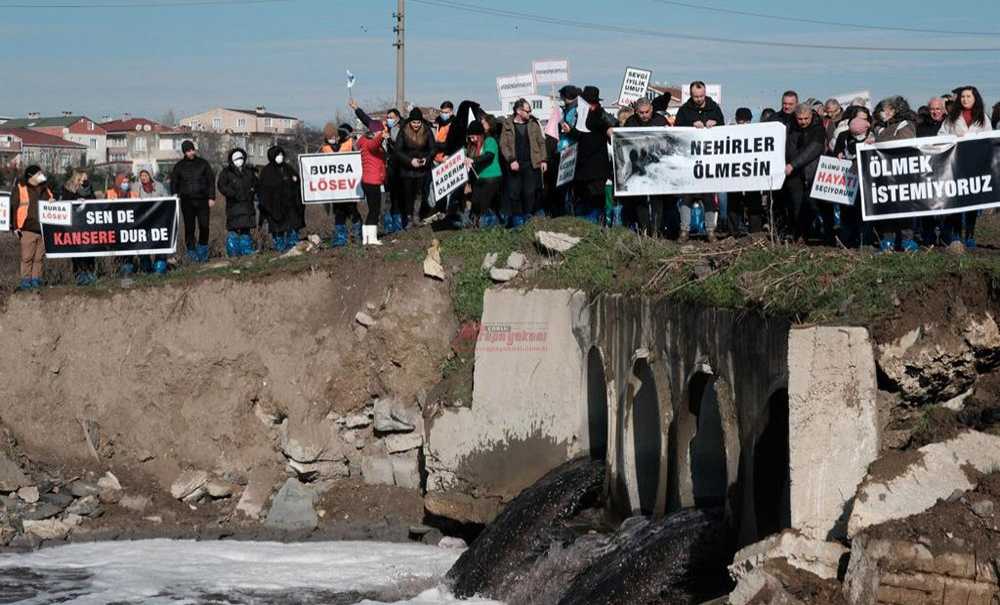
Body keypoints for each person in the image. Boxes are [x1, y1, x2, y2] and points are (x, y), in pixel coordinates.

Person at [939, 85, 992, 249]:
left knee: (972, 203)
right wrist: (953, 137)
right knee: (956, 202)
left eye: (968, 96)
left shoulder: (983, 118)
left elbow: (989, 139)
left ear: (975, 98)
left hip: (974, 166)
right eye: (962, 97)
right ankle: (955, 236)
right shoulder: (951, 118)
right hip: (956, 165)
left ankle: (970, 236)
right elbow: (940, 136)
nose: (965, 99)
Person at [675, 81, 725, 242]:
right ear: (691, 95)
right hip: (689, 162)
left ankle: (710, 230)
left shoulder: (714, 108)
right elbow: (677, 131)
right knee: (686, 198)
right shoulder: (684, 110)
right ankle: (684, 231)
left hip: (709, 161)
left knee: (709, 197)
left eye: (701, 96)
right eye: (695, 96)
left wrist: (716, 124)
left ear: (705, 93)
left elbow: (725, 130)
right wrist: (690, 125)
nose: (698, 99)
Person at [563, 85, 614, 224]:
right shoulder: (585, 115)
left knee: (594, 201)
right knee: (588, 200)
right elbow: (581, 135)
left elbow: (604, 130)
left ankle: (593, 227)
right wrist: (570, 131)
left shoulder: (599, 116)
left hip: (594, 168)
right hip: (586, 168)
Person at [873, 96, 918, 252]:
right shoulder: (881, 127)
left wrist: (879, 138)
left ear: (895, 110)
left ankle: (907, 241)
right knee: (887, 208)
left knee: (904, 209)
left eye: (886, 110)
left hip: (902, 175)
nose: (883, 113)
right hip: (885, 174)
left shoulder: (906, 125)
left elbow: (904, 141)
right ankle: (888, 240)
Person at [623, 97, 672, 236]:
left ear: (651, 109)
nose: (644, 115)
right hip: (638, 167)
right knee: (640, 199)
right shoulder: (630, 122)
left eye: (647, 112)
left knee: (657, 200)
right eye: (641, 113)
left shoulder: (660, 121)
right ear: (636, 111)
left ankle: (656, 230)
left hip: (657, 167)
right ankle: (644, 229)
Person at [782, 104, 827, 243]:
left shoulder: (818, 129)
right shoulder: (790, 127)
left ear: (811, 115)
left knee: (812, 205)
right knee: (795, 206)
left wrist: (793, 164)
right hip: (793, 174)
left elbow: (813, 150)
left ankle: (813, 233)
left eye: (806, 118)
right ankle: (798, 235)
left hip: (811, 172)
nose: (803, 122)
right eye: (800, 119)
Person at [500, 98, 547, 228]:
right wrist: (511, 159)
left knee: (530, 193)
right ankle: (517, 222)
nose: (529, 113)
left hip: (531, 164)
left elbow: (541, 142)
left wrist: (543, 160)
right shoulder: (508, 125)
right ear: (518, 111)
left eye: (530, 110)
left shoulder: (533, 124)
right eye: (527, 111)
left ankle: (529, 220)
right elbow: (504, 145)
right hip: (515, 165)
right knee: (514, 194)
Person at [170, 140, 216, 262]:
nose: (190, 153)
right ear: (184, 152)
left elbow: (211, 181)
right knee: (189, 228)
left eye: (191, 150)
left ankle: (203, 251)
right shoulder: (179, 166)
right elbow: (174, 182)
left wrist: (211, 197)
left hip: (203, 201)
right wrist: (174, 194)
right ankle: (191, 253)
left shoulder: (203, 164)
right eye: (187, 151)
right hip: (186, 202)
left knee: (204, 226)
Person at [9, 165, 53, 290]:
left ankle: (36, 280)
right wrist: (15, 227)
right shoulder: (20, 188)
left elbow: (52, 201)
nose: (41, 176)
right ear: (31, 176)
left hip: (43, 228)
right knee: (27, 257)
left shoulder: (45, 189)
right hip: (27, 228)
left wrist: (52, 201)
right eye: (38, 174)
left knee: (39, 258)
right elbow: (14, 207)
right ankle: (25, 281)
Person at [833, 116, 873, 247]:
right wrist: (838, 153)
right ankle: (847, 240)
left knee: (865, 211)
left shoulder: (873, 136)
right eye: (853, 133)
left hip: (867, 179)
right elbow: (837, 151)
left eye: (858, 134)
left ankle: (865, 240)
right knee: (847, 210)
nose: (855, 136)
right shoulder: (843, 136)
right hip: (848, 179)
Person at [258, 145, 304, 251]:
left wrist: (295, 180)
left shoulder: (287, 168)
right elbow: (263, 191)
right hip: (275, 206)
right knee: (278, 227)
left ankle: (293, 243)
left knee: (293, 224)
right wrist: (268, 206)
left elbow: (297, 181)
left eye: (281, 154)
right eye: (278, 155)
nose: (280, 157)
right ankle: (280, 245)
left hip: (290, 204)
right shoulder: (267, 171)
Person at [727, 107, 765, 236]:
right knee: (733, 203)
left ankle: (755, 232)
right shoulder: (729, 133)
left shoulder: (757, 133)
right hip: (734, 174)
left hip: (752, 174)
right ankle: (734, 232)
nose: (743, 123)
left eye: (746, 120)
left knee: (754, 203)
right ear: (737, 120)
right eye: (741, 120)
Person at [394, 108, 434, 228]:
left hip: (422, 168)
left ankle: (416, 217)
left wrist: (427, 158)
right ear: (410, 122)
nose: (416, 125)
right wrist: (410, 161)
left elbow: (433, 148)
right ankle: (409, 218)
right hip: (407, 169)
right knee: (408, 194)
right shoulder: (403, 131)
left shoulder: (427, 131)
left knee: (419, 193)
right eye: (413, 122)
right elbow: (398, 150)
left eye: (418, 122)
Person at [217, 148, 258, 257]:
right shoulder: (226, 172)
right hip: (234, 206)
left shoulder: (249, 171)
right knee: (234, 229)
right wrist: (233, 194)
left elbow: (256, 184)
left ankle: (246, 251)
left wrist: (252, 191)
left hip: (247, 205)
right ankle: (233, 252)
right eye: (237, 158)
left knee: (246, 229)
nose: (240, 160)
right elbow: (221, 186)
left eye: (241, 158)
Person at [60, 169, 97, 285]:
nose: (85, 180)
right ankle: (80, 275)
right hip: (74, 225)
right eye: (83, 178)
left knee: (89, 250)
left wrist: (87, 200)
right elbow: (65, 203)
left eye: (86, 178)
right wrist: (76, 200)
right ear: (77, 177)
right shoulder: (68, 188)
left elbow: (94, 202)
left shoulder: (89, 188)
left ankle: (90, 274)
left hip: (87, 224)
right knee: (77, 251)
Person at [355, 119, 388, 244]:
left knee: (373, 209)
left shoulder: (364, 142)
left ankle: (367, 238)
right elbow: (375, 144)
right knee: (375, 210)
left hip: (370, 181)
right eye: (379, 130)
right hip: (371, 181)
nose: (380, 132)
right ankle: (372, 238)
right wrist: (381, 137)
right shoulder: (369, 143)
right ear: (374, 131)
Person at [465, 120, 502, 227]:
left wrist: (474, 160)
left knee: (484, 204)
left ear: (480, 134)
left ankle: (489, 224)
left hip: (492, 177)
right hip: (480, 178)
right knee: (475, 202)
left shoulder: (489, 141)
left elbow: (488, 156)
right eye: (470, 137)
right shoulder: (472, 145)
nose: (472, 140)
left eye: (473, 137)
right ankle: (475, 222)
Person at [135, 169, 169, 274]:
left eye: (145, 175)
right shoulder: (137, 187)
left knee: (160, 242)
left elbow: (167, 200)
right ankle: (146, 266)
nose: (143, 178)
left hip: (159, 221)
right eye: (141, 176)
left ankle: (160, 265)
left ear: (150, 175)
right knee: (143, 243)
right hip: (143, 222)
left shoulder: (159, 186)